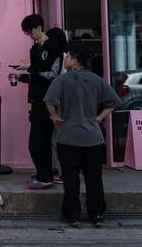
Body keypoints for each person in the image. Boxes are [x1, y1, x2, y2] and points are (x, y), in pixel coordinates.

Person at [44, 45, 122, 226]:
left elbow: (49, 102)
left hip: (68, 136)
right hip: (93, 137)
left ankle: (73, 215)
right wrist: (99, 118)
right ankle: (97, 215)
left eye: (67, 57)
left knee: (71, 178)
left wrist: (55, 118)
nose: (64, 60)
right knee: (94, 177)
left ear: (74, 60)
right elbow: (113, 102)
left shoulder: (61, 80)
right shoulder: (97, 80)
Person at [13, 14, 65, 189]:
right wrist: (21, 77)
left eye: (30, 31)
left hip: (48, 101)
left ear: (39, 27)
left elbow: (52, 74)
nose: (30, 35)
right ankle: (45, 173)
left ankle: (46, 177)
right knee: (38, 141)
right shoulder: (35, 50)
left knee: (39, 141)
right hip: (36, 100)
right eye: (27, 33)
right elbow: (37, 76)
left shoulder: (53, 46)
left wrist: (30, 68)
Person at [46, 27, 69, 184]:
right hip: (63, 101)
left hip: (58, 101)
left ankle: (60, 170)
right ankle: (58, 169)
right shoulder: (67, 56)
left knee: (56, 137)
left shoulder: (60, 57)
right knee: (56, 136)